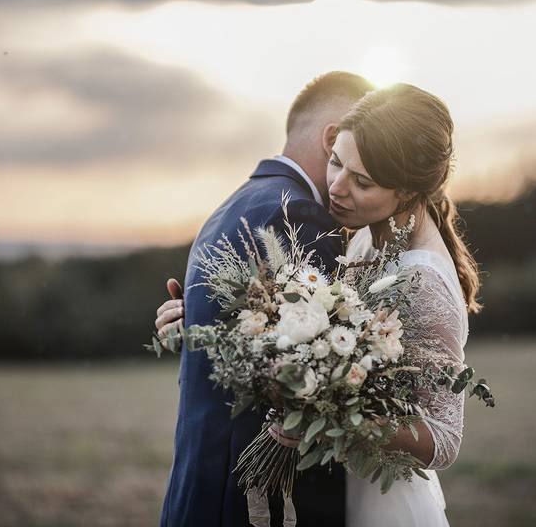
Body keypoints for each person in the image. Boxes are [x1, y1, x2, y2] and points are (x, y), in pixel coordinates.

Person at [156, 82, 482, 526]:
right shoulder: (365, 237)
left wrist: (332, 418)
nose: (337, 187)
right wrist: (208, 323)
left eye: (362, 181)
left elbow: (444, 439)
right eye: (335, 163)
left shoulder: (424, 280)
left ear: (406, 192)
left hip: (382, 502)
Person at [158, 71, 375, 527]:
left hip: (199, 489)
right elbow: (320, 372)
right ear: (335, 138)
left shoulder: (239, 202)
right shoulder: (299, 215)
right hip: (253, 501)